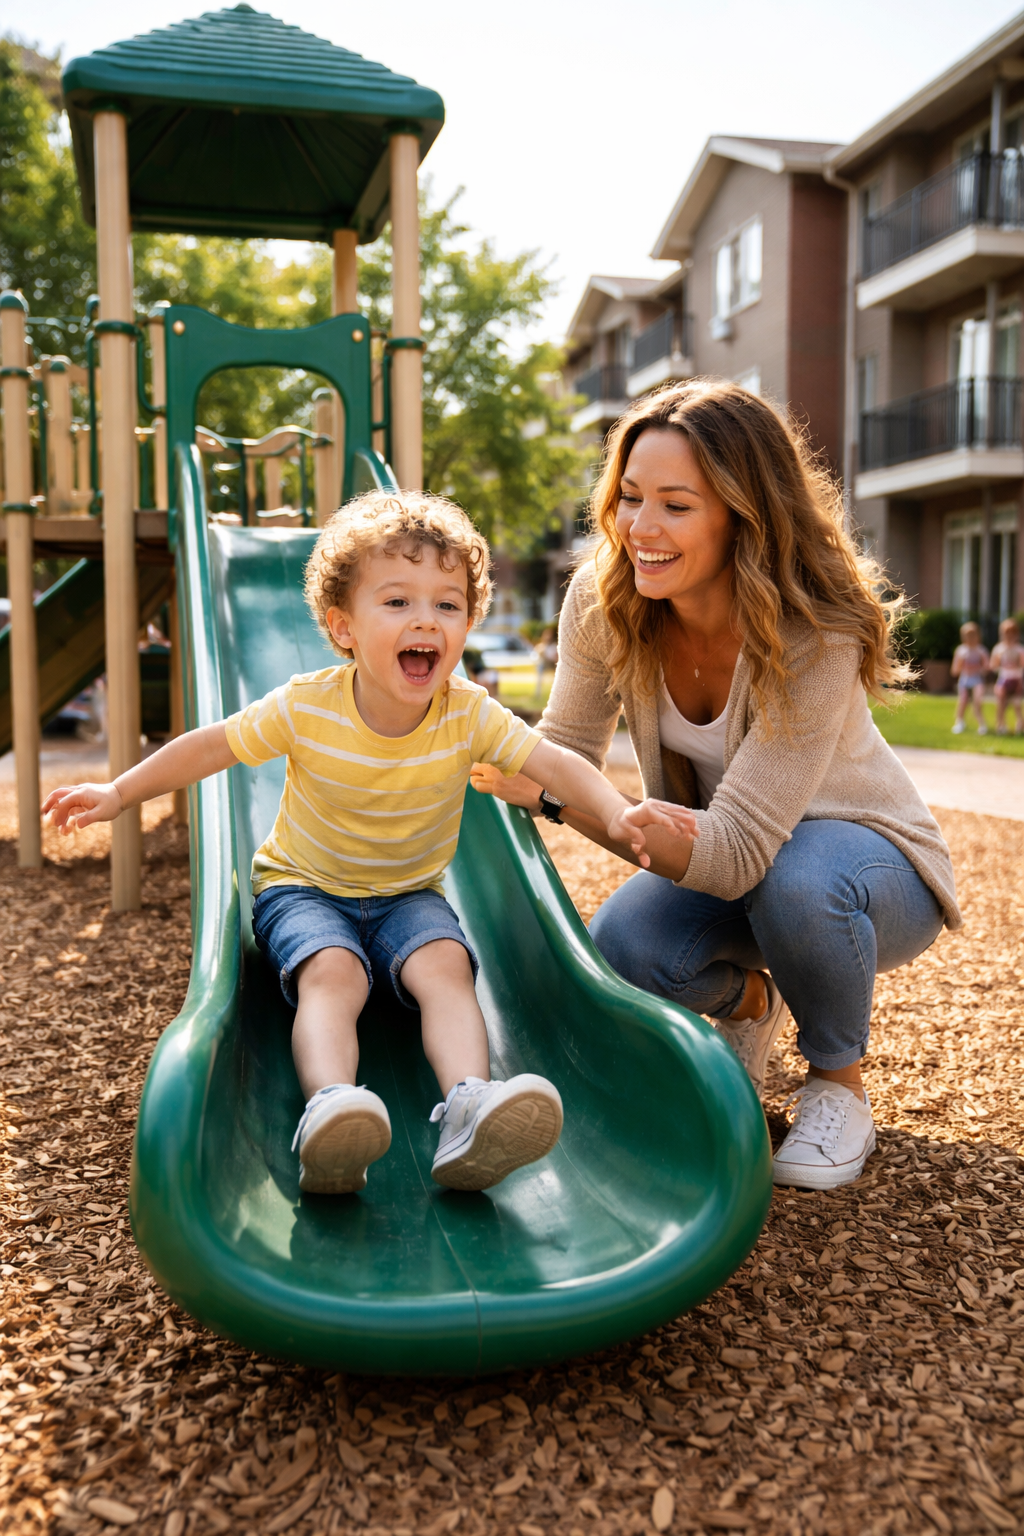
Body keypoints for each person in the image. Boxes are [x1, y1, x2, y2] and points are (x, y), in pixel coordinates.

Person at [43, 492, 695, 1197]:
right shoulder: (307, 705)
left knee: (447, 965)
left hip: (409, 895)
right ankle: (330, 1110)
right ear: (343, 626)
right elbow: (211, 748)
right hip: (303, 888)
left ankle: (469, 1104)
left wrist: (617, 808)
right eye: (397, 603)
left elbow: (554, 763)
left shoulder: (468, 712)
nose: (425, 619)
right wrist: (119, 794)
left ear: (468, 623)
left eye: (447, 605)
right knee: (335, 975)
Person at [473, 381, 960, 1192]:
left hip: (867, 875)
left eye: (675, 505)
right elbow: (560, 752)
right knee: (625, 950)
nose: (640, 528)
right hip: (731, 862)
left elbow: (731, 856)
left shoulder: (816, 627)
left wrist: (564, 799)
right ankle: (749, 1006)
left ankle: (838, 1087)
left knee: (798, 875)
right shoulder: (605, 596)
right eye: (629, 497)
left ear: (744, 512)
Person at [951, 621, 990, 735]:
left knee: (977, 701)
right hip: (964, 680)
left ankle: (981, 723)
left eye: (973, 635)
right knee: (963, 701)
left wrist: (982, 667)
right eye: (967, 636)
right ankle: (959, 722)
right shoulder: (961, 651)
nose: (970, 638)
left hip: (977, 680)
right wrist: (961, 662)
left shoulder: (981, 650)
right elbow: (955, 670)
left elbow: (987, 667)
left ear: (978, 636)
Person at [991, 617, 1024, 737]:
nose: (1009, 635)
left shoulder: (1019, 649)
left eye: (1012, 633)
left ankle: (1020, 725)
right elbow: (993, 666)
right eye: (1007, 633)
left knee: (1017, 704)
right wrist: (998, 659)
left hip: (1016, 679)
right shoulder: (999, 649)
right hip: (1004, 679)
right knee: (1001, 703)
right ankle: (1001, 725)